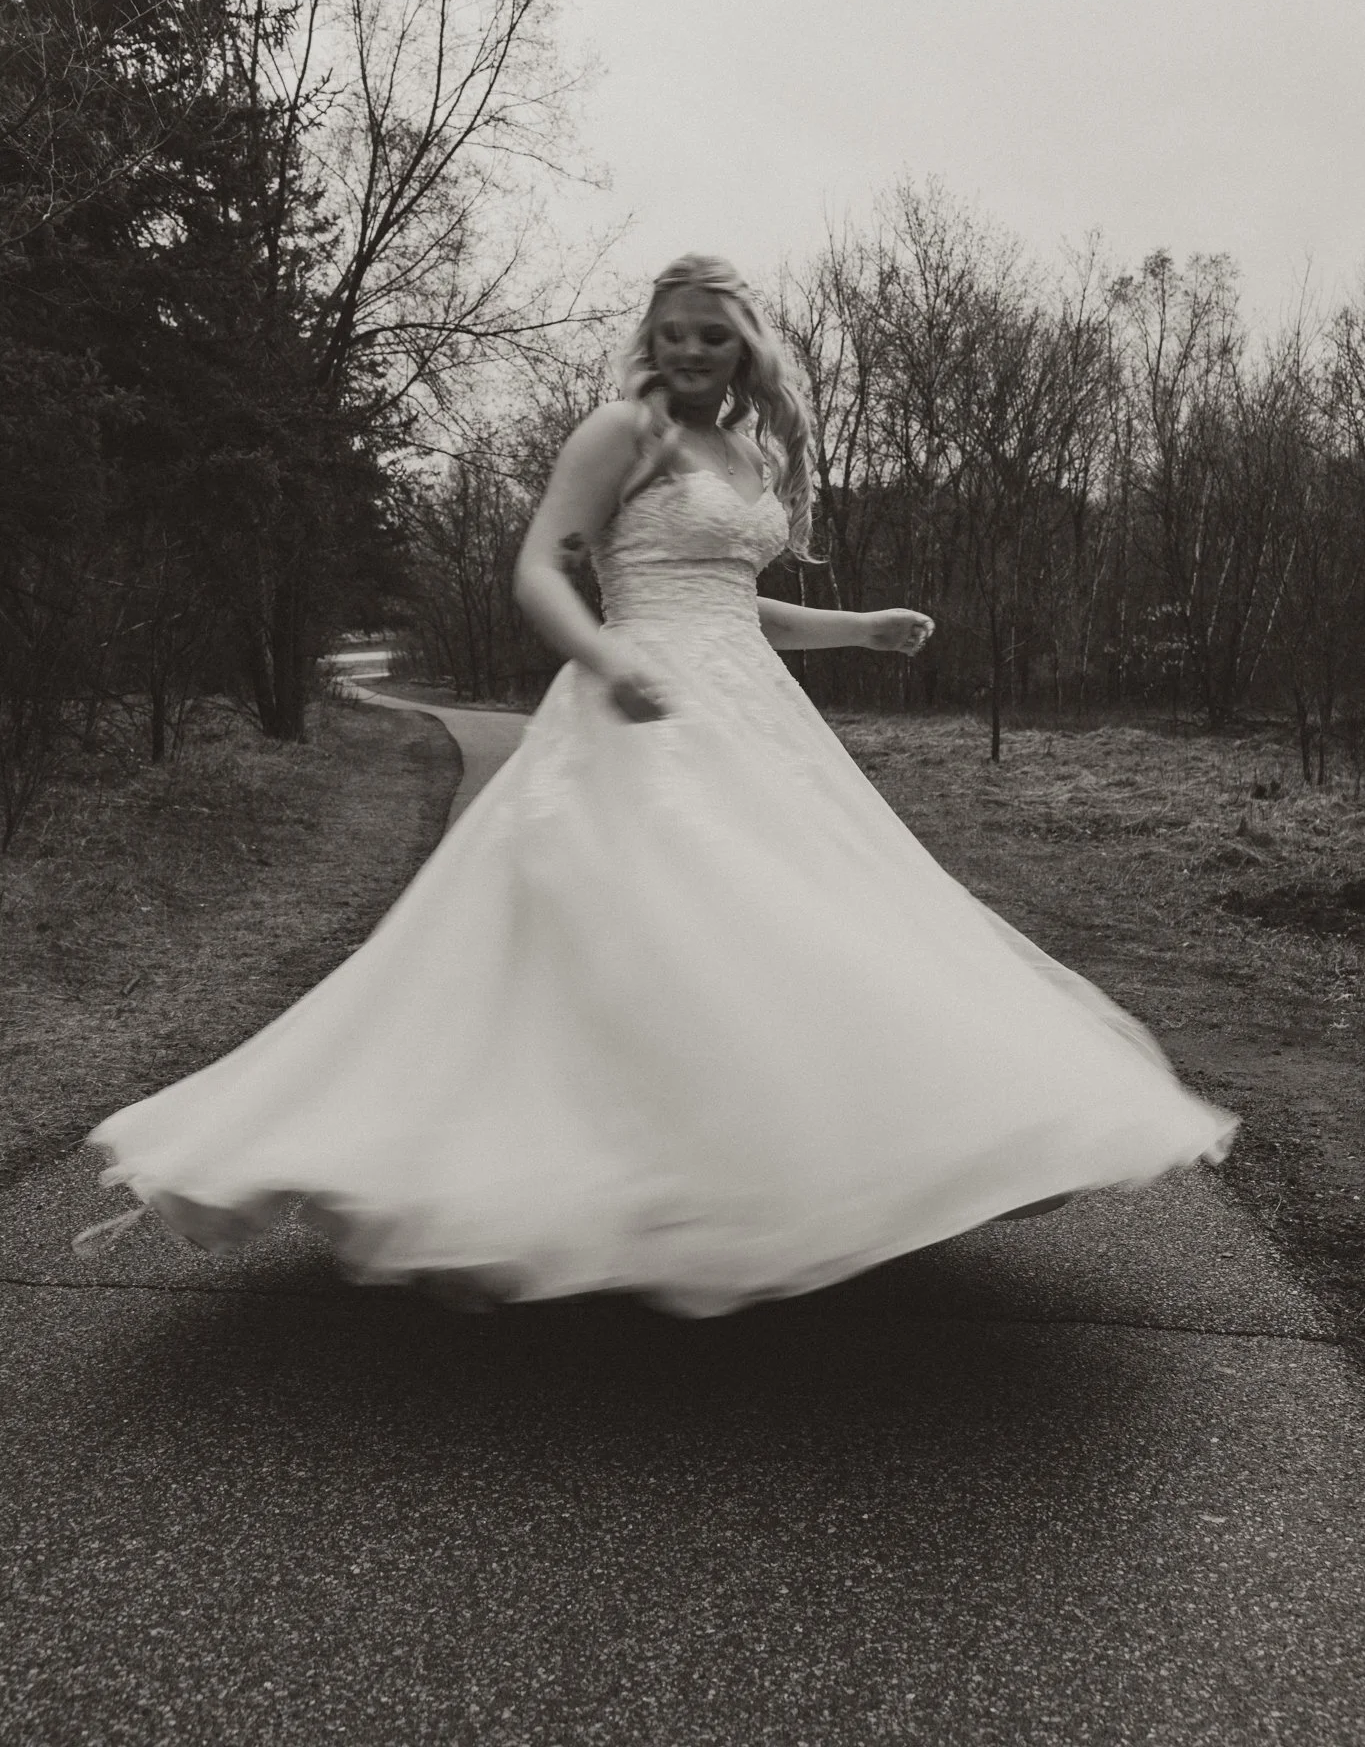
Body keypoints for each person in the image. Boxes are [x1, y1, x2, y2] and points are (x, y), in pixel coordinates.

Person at [77, 254, 1235, 1316]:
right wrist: (603, 657)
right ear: (650, 337)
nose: (689, 350)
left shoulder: (748, 453)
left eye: (712, 336)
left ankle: (756, 1163)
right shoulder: (620, 432)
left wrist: (862, 627)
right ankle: (582, 1168)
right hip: (635, 705)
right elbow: (538, 567)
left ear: (744, 350)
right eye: (673, 331)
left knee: (785, 927)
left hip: (751, 716)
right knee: (652, 922)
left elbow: (735, 602)